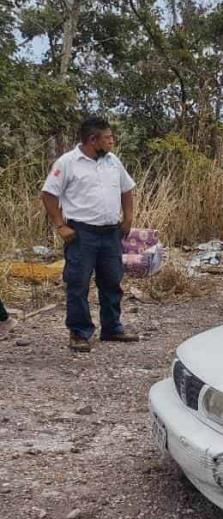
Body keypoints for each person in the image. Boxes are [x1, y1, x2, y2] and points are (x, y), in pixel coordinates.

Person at [41, 117, 139, 352]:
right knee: (77, 283)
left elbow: (127, 189)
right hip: (82, 234)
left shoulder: (113, 161)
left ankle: (112, 328)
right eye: (108, 137)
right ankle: (80, 333)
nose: (112, 141)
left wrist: (128, 218)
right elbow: (48, 194)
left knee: (112, 282)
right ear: (92, 139)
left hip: (110, 233)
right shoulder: (67, 163)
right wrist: (60, 225)